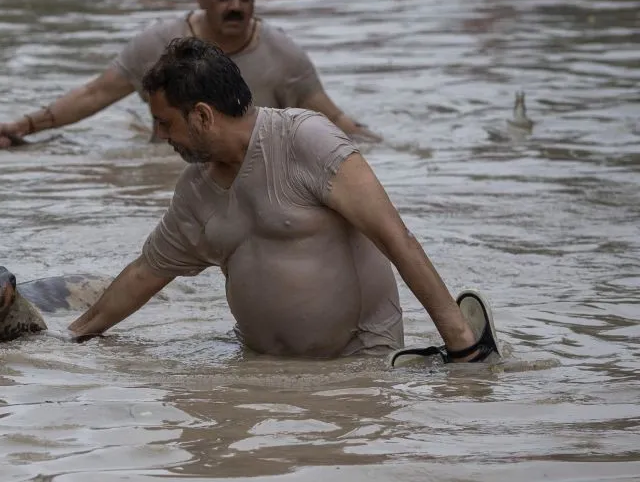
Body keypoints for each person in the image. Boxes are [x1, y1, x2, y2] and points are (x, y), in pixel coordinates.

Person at [67, 37, 497, 364]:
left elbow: (396, 239)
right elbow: (146, 271)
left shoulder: (307, 139)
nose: (159, 136)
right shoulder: (195, 189)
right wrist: (72, 338)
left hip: (358, 367)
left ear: (202, 115)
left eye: (164, 123)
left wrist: (461, 345)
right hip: (258, 368)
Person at [0, 0, 384, 147]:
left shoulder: (284, 55)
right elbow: (95, 93)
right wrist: (24, 127)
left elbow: (334, 120)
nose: (236, 6)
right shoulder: (159, 43)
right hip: (169, 163)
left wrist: (397, 152)